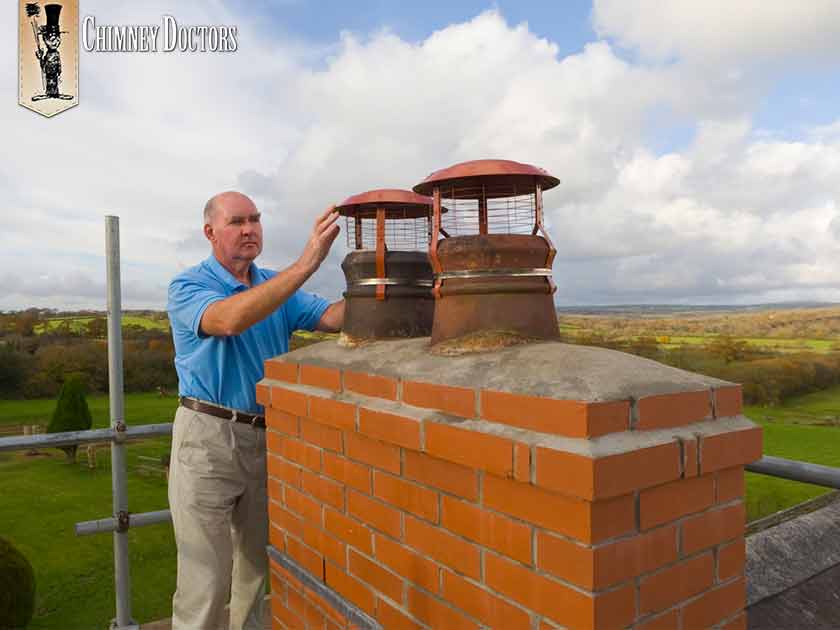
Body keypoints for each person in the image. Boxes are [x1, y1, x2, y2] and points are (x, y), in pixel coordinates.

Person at [166, 191, 344, 629]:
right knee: (205, 576)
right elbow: (228, 320)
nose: (250, 229)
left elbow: (336, 319)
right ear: (210, 232)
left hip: (266, 438)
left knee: (255, 570)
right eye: (237, 221)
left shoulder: (272, 285)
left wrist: (384, 283)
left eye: (256, 219)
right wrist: (305, 265)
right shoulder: (188, 286)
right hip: (207, 437)